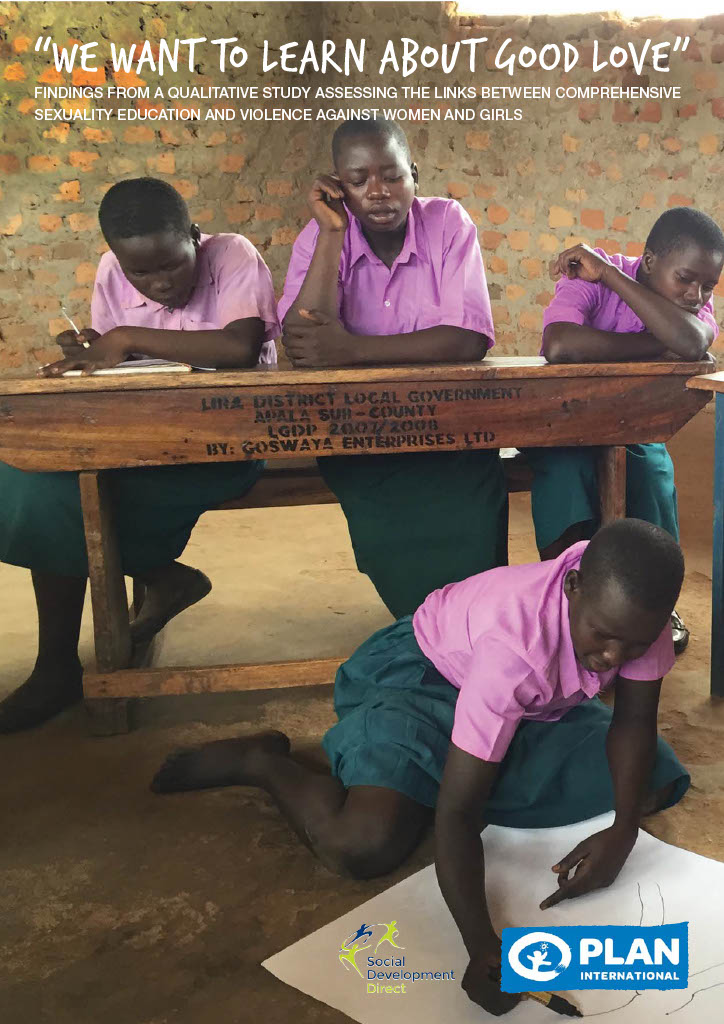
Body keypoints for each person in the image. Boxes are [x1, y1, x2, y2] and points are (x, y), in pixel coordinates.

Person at [152, 518, 689, 1017]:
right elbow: (457, 815)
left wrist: (623, 832)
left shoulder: (634, 614)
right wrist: (484, 950)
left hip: (532, 706)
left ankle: (446, 767)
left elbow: (634, 724)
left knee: (653, 776)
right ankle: (262, 761)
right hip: (423, 678)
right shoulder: (515, 649)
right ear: (572, 589)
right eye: (602, 636)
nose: (615, 657)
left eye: (635, 644)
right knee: (363, 843)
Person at [0, 177, 279, 732]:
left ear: (195, 237)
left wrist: (128, 336)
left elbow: (239, 347)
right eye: (140, 274)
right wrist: (92, 358)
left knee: (64, 493)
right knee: (32, 475)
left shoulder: (233, 256)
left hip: (228, 443)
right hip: (139, 439)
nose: (159, 284)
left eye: (172, 266)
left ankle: (63, 662)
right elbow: (118, 367)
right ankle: (142, 594)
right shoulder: (110, 271)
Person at [276, 116, 508, 618]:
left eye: (392, 176)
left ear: (415, 175)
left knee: (470, 531)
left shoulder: (447, 223)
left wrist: (349, 350)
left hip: (452, 433)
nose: (378, 192)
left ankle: (470, 631)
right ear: (338, 188)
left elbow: (467, 339)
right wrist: (333, 229)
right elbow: (303, 339)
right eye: (358, 181)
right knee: (392, 544)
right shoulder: (319, 239)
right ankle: (425, 629)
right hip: (359, 435)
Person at [527, 207, 724, 654]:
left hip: (635, 430)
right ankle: (570, 599)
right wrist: (659, 342)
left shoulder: (683, 302)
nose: (696, 295)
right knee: (564, 477)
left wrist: (615, 279)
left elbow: (692, 342)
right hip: (566, 425)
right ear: (651, 261)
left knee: (652, 474)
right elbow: (560, 344)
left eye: (708, 286)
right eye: (686, 280)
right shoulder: (588, 273)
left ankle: (652, 601)